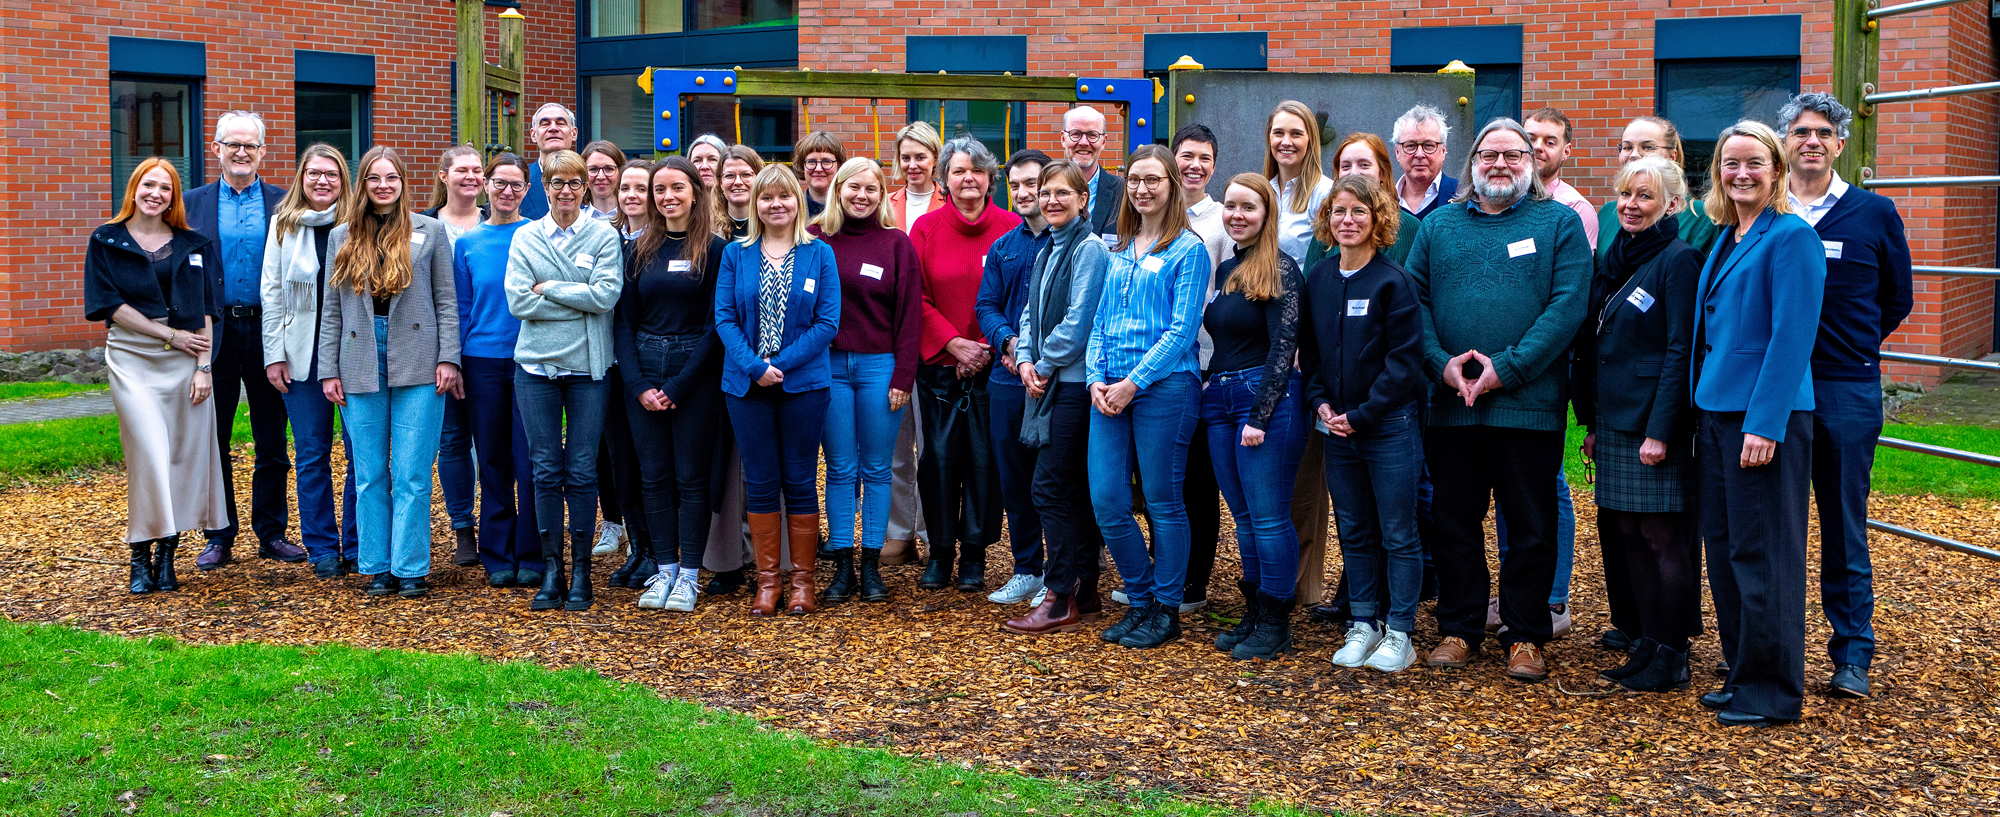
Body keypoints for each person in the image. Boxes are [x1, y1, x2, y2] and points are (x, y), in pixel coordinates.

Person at [1407, 118, 1590, 682]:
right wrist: (1442, 365)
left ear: (1531, 163)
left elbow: (1568, 307)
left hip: (1528, 404)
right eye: (1490, 155)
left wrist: (1505, 370)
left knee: (1531, 525)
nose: (1501, 165)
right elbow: (1412, 302)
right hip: (1451, 405)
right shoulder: (1438, 226)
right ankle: (1459, 628)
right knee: (1454, 520)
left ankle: (1526, 634)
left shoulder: (1557, 223)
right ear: (1472, 162)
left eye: (1514, 155)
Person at [1779, 92, 1914, 701]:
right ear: (1786, 142)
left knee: (1843, 524)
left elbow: (1897, 299)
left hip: (1845, 389)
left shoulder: (1874, 213)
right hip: (1774, 392)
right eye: (1800, 131)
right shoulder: (1766, 212)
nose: (1812, 140)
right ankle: (1769, 653)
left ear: (1840, 143)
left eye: (1823, 132)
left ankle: (1851, 654)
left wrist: (1850, 346)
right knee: (1773, 528)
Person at [1692, 121, 1827, 728]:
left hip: (1763, 420)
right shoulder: (1726, 236)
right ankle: (1743, 673)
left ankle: (1772, 691)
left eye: (1753, 163)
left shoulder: (1792, 237)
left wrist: (1765, 424)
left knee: (1765, 554)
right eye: (1729, 163)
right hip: (1718, 414)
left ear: (1775, 170)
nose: (1740, 173)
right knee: (1725, 550)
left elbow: (1792, 337)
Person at [1572, 156, 1704, 693]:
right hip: (1614, 417)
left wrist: (1662, 429)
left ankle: (1672, 653)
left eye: (1645, 197)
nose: (1631, 205)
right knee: (1627, 532)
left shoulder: (1679, 259)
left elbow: (1681, 349)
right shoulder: (1615, 256)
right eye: (1626, 194)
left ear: (1671, 204)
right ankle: (1647, 643)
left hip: (1653, 421)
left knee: (1661, 537)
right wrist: (1593, 421)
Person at [317, 145, 460, 600]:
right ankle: (377, 564)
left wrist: (449, 358)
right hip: (359, 356)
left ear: (403, 182)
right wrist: (327, 369)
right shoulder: (342, 236)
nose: (383, 186)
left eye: (391, 178)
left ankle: (411, 565)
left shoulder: (430, 231)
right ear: (363, 184)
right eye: (374, 178)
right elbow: (332, 313)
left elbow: (447, 301)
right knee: (370, 471)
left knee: (414, 471)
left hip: (419, 353)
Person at [1300, 173, 1426, 673]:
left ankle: (1401, 631)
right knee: (1353, 529)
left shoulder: (1394, 280)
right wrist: (1321, 405)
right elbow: (1311, 354)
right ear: (1327, 220)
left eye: (1358, 212)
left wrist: (1364, 413)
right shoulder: (1320, 278)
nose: (1347, 220)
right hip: (1337, 428)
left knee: (1398, 531)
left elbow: (1405, 362)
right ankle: (1364, 621)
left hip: (1386, 425)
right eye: (1338, 212)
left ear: (1378, 220)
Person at [1088, 144, 1210, 650]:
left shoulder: (1189, 249)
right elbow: (1099, 322)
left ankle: (1166, 607)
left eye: (1152, 180)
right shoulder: (1117, 250)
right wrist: (1096, 377)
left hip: (1164, 388)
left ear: (1171, 186)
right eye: (1134, 179)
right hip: (1107, 391)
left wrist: (1133, 382)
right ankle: (1138, 599)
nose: (1141, 189)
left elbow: (1183, 331)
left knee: (1163, 500)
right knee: (1108, 499)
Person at [86, 158, 227, 594]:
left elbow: (206, 307)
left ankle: (168, 552)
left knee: (182, 457)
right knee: (148, 452)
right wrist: (169, 335)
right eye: (149, 185)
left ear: (174, 197)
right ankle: (139, 555)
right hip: (133, 358)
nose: (156, 194)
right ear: (134, 188)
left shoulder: (193, 243)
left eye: (165, 188)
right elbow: (109, 305)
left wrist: (204, 368)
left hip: (187, 359)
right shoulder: (106, 240)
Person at [714, 164, 840, 616]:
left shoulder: (819, 254)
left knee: (802, 481)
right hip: (746, 387)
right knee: (762, 482)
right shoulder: (735, 254)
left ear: (798, 200)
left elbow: (828, 322)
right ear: (755, 204)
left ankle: (802, 581)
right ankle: (768, 582)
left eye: (784, 196)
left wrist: (778, 365)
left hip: (803, 385)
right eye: (766, 198)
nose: (776, 205)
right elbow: (724, 319)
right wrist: (754, 367)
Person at [182, 110, 305, 571]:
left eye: (249, 146)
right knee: (213, 437)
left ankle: (271, 532)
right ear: (215, 149)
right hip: (212, 332)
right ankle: (218, 534)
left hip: (269, 331)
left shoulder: (284, 202)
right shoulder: (191, 204)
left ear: (262, 152)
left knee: (272, 437)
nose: (240, 152)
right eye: (231, 144)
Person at [506, 149, 625, 612]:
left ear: (585, 188)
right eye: (557, 183)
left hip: (588, 369)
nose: (567, 192)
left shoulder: (603, 235)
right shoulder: (525, 237)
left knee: (580, 468)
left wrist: (549, 287)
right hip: (535, 368)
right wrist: (581, 294)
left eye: (575, 183)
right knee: (544, 469)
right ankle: (551, 569)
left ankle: (581, 572)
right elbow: (519, 302)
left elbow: (606, 295)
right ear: (544, 187)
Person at [1491, 107, 1592, 638]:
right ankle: (1512, 599)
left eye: (1544, 142)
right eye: (1530, 138)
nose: (1534, 149)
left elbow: (1568, 301)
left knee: (1541, 492)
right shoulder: (1476, 211)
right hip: (1475, 387)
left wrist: (1511, 365)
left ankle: (1548, 599)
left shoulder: (1571, 213)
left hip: (1539, 381)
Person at [614, 156, 729, 612]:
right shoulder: (637, 250)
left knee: (691, 479)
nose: (667, 197)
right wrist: (639, 384)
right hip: (643, 370)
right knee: (654, 476)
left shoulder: (716, 251)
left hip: (693, 375)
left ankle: (689, 576)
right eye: (658, 190)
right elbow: (623, 323)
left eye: (676, 188)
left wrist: (679, 386)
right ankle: (662, 571)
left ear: (696, 193)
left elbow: (716, 325)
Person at [1200, 173, 1307, 661]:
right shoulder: (1228, 270)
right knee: (1242, 517)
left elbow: (1285, 348)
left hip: (1264, 402)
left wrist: (1260, 415)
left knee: (1268, 517)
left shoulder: (1281, 270)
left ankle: (1276, 619)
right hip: (1219, 400)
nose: (1237, 215)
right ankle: (1255, 610)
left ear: (1267, 216)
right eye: (1230, 206)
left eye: (1249, 207)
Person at [1002, 160, 1109, 634]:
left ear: (1083, 200)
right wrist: (1024, 359)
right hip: (1045, 378)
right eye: (1045, 193)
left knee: (1049, 487)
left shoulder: (1090, 249)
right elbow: (1029, 314)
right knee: (1070, 490)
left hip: (1071, 385)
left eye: (1062, 193)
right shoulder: (1047, 248)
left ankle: (1059, 593)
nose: (1051, 200)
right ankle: (1085, 588)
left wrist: (1042, 364)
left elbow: (1080, 320)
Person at [910, 136, 1020, 592]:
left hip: (995, 365)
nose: (968, 178)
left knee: (985, 461)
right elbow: (913, 299)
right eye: (958, 171)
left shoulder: (1013, 228)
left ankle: (974, 554)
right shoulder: (925, 230)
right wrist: (954, 344)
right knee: (937, 460)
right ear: (944, 181)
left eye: (977, 170)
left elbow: (1019, 297)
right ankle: (940, 552)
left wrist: (984, 348)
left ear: (991, 178)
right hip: (940, 365)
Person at [813, 156, 922, 604]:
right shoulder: (816, 239)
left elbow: (910, 316)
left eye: (871, 189)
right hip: (829, 367)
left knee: (877, 469)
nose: (861, 195)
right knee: (839, 469)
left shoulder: (897, 245)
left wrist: (904, 375)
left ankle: (872, 566)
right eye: (853, 187)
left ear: (882, 195)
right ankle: (842, 564)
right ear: (838, 189)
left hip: (880, 368)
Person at [259, 143, 360, 579]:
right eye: (314, 173)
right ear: (302, 177)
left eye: (332, 174)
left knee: (363, 455)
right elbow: (272, 293)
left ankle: (359, 544)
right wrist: (273, 355)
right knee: (312, 454)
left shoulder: (359, 223)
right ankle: (322, 547)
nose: (323, 181)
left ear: (344, 180)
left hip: (355, 354)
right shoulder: (284, 224)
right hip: (301, 355)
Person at [453, 153, 544, 588]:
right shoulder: (468, 244)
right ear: (486, 186)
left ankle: (534, 551)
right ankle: (496, 553)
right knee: (490, 458)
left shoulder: (540, 236)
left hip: (531, 358)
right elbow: (462, 308)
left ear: (527, 190)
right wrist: (453, 361)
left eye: (516, 184)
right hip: (482, 359)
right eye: (499, 183)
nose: (507, 191)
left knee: (529, 460)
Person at [974, 148, 1054, 605]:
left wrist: (1034, 357)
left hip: (1056, 381)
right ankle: (1027, 567)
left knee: (1056, 479)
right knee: (1015, 480)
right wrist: (1008, 345)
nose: (1024, 193)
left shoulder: (1075, 245)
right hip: (1005, 381)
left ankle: (1065, 572)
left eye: (1034, 185)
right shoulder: (1004, 246)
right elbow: (986, 305)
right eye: (1017, 185)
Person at [579, 141, 652, 580]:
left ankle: (659, 549)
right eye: (626, 188)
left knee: (650, 463)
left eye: (639, 188)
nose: (630, 195)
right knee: (621, 462)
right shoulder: (606, 239)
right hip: (607, 363)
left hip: (648, 368)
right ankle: (638, 547)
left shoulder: (663, 244)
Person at [700, 144, 770, 593]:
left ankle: (769, 553)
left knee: (767, 461)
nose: (736, 182)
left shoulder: (777, 228)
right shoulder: (706, 231)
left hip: (770, 363)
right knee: (723, 463)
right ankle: (727, 556)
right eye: (729, 175)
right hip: (719, 360)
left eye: (746, 174)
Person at [1167, 123, 1226, 611]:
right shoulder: (1150, 214)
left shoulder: (1221, 221)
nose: (1195, 166)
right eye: (1187, 156)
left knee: (1197, 476)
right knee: (1163, 475)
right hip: (1151, 364)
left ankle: (1195, 580)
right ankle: (1165, 567)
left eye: (1204, 158)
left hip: (1203, 360)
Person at [422, 144, 487, 568]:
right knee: (453, 442)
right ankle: (463, 528)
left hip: (490, 351)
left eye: (477, 170)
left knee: (498, 442)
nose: (471, 176)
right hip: (437, 352)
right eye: (461, 169)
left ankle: (504, 525)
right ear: (443, 176)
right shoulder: (422, 226)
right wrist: (447, 355)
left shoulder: (502, 222)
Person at [1593, 116, 1722, 264]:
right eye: (1627, 147)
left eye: (1647, 147)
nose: (1634, 155)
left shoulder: (1700, 216)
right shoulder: (1607, 213)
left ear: (1672, 156)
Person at [1303, 134, 1420, 273]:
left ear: (1382, 173)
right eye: (1345, 166)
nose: (1354, 173)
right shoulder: (1328, 223)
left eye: (1364, 165)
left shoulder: (1408, 227)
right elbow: (1309, 283)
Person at [1265, 101, 1334, 267]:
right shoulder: (1263, 191)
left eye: (1296, 134)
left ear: (1311, 139)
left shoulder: (1324, 192)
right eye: (1278, 133)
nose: (1286, 142)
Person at [1061, 105, 1124, 236]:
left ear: (1103, 141)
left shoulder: (1124, 192)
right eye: (1075, 134)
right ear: (1063, 139)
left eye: (1092, 135)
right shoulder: (1044, 191)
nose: (1084, 142)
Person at [1391, 104, 1459, 221]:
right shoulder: (1381, 201)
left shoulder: (1463, 197)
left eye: (1428, 145)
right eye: (1411, 145)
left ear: (1443, 151)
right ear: (1397, 152)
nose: (1419, 154)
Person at [521, 102, 579, 220]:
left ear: (574, 133)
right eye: (545, 124)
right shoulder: (519, 181)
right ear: (533, 135)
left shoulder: (592, 179)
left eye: (560, 123)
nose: (553, 128)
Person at [889, 122, 945, 232]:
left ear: (935, 158)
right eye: (905, 158)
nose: (912, 165)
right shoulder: (884, 204)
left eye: (920, 157)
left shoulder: (951, 203)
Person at [795, 131, 846, 217]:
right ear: (802, 165)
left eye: (826, 161)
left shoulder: (850, 210)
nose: (818, 169)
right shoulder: (792, 210)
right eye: (811, 162)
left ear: (839, 165)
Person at [717, 145, 763, 239]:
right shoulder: (708, 230)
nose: (738, 182)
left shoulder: (772, 226)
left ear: (759, 178)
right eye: (730, 176)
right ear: (720, 183)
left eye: (746, 174)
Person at [581, 140, 627, 222]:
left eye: (609, 169)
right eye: (593, 169)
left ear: (620, 172)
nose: (601, 176)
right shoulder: (575, 220)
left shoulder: (632, 217)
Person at [613, 160, 652, 240]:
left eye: (641, 189)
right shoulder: (611, 237)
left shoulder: (664, 241)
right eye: (625, 188)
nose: (631, 195)